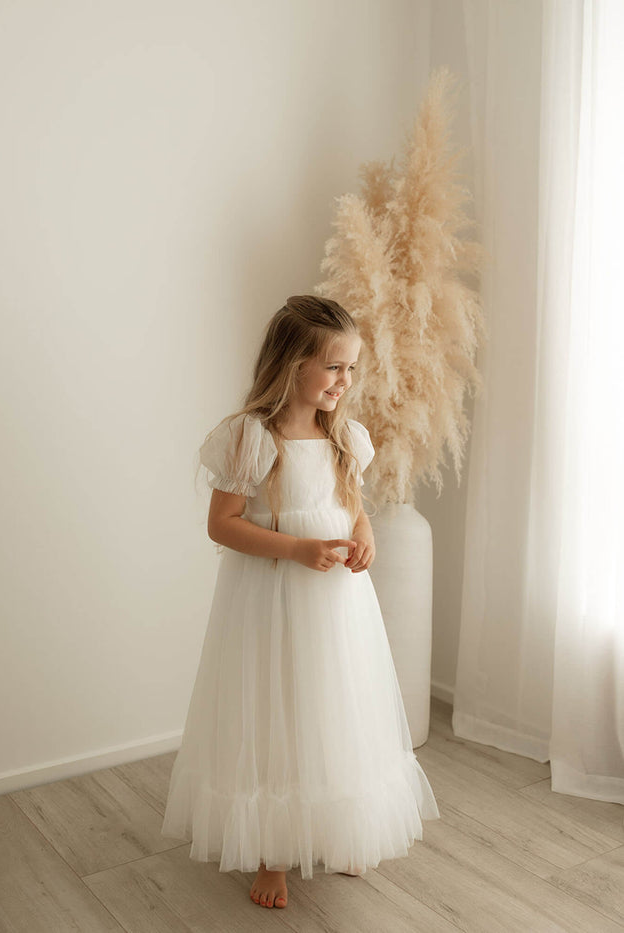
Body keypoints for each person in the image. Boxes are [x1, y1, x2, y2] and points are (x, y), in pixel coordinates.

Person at [160, 295, 440, 909]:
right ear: (293, 365)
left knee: (334, 706)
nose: (346, 381)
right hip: (272, 599)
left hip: (337, 606)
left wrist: (363, 537)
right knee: (278, 707)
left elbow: (352, 507)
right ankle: (273, 853)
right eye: (334, 368)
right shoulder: (251, 438)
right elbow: (223, 525)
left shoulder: (344, 438)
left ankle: (336, 828)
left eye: (352, 369)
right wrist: (294, 549)